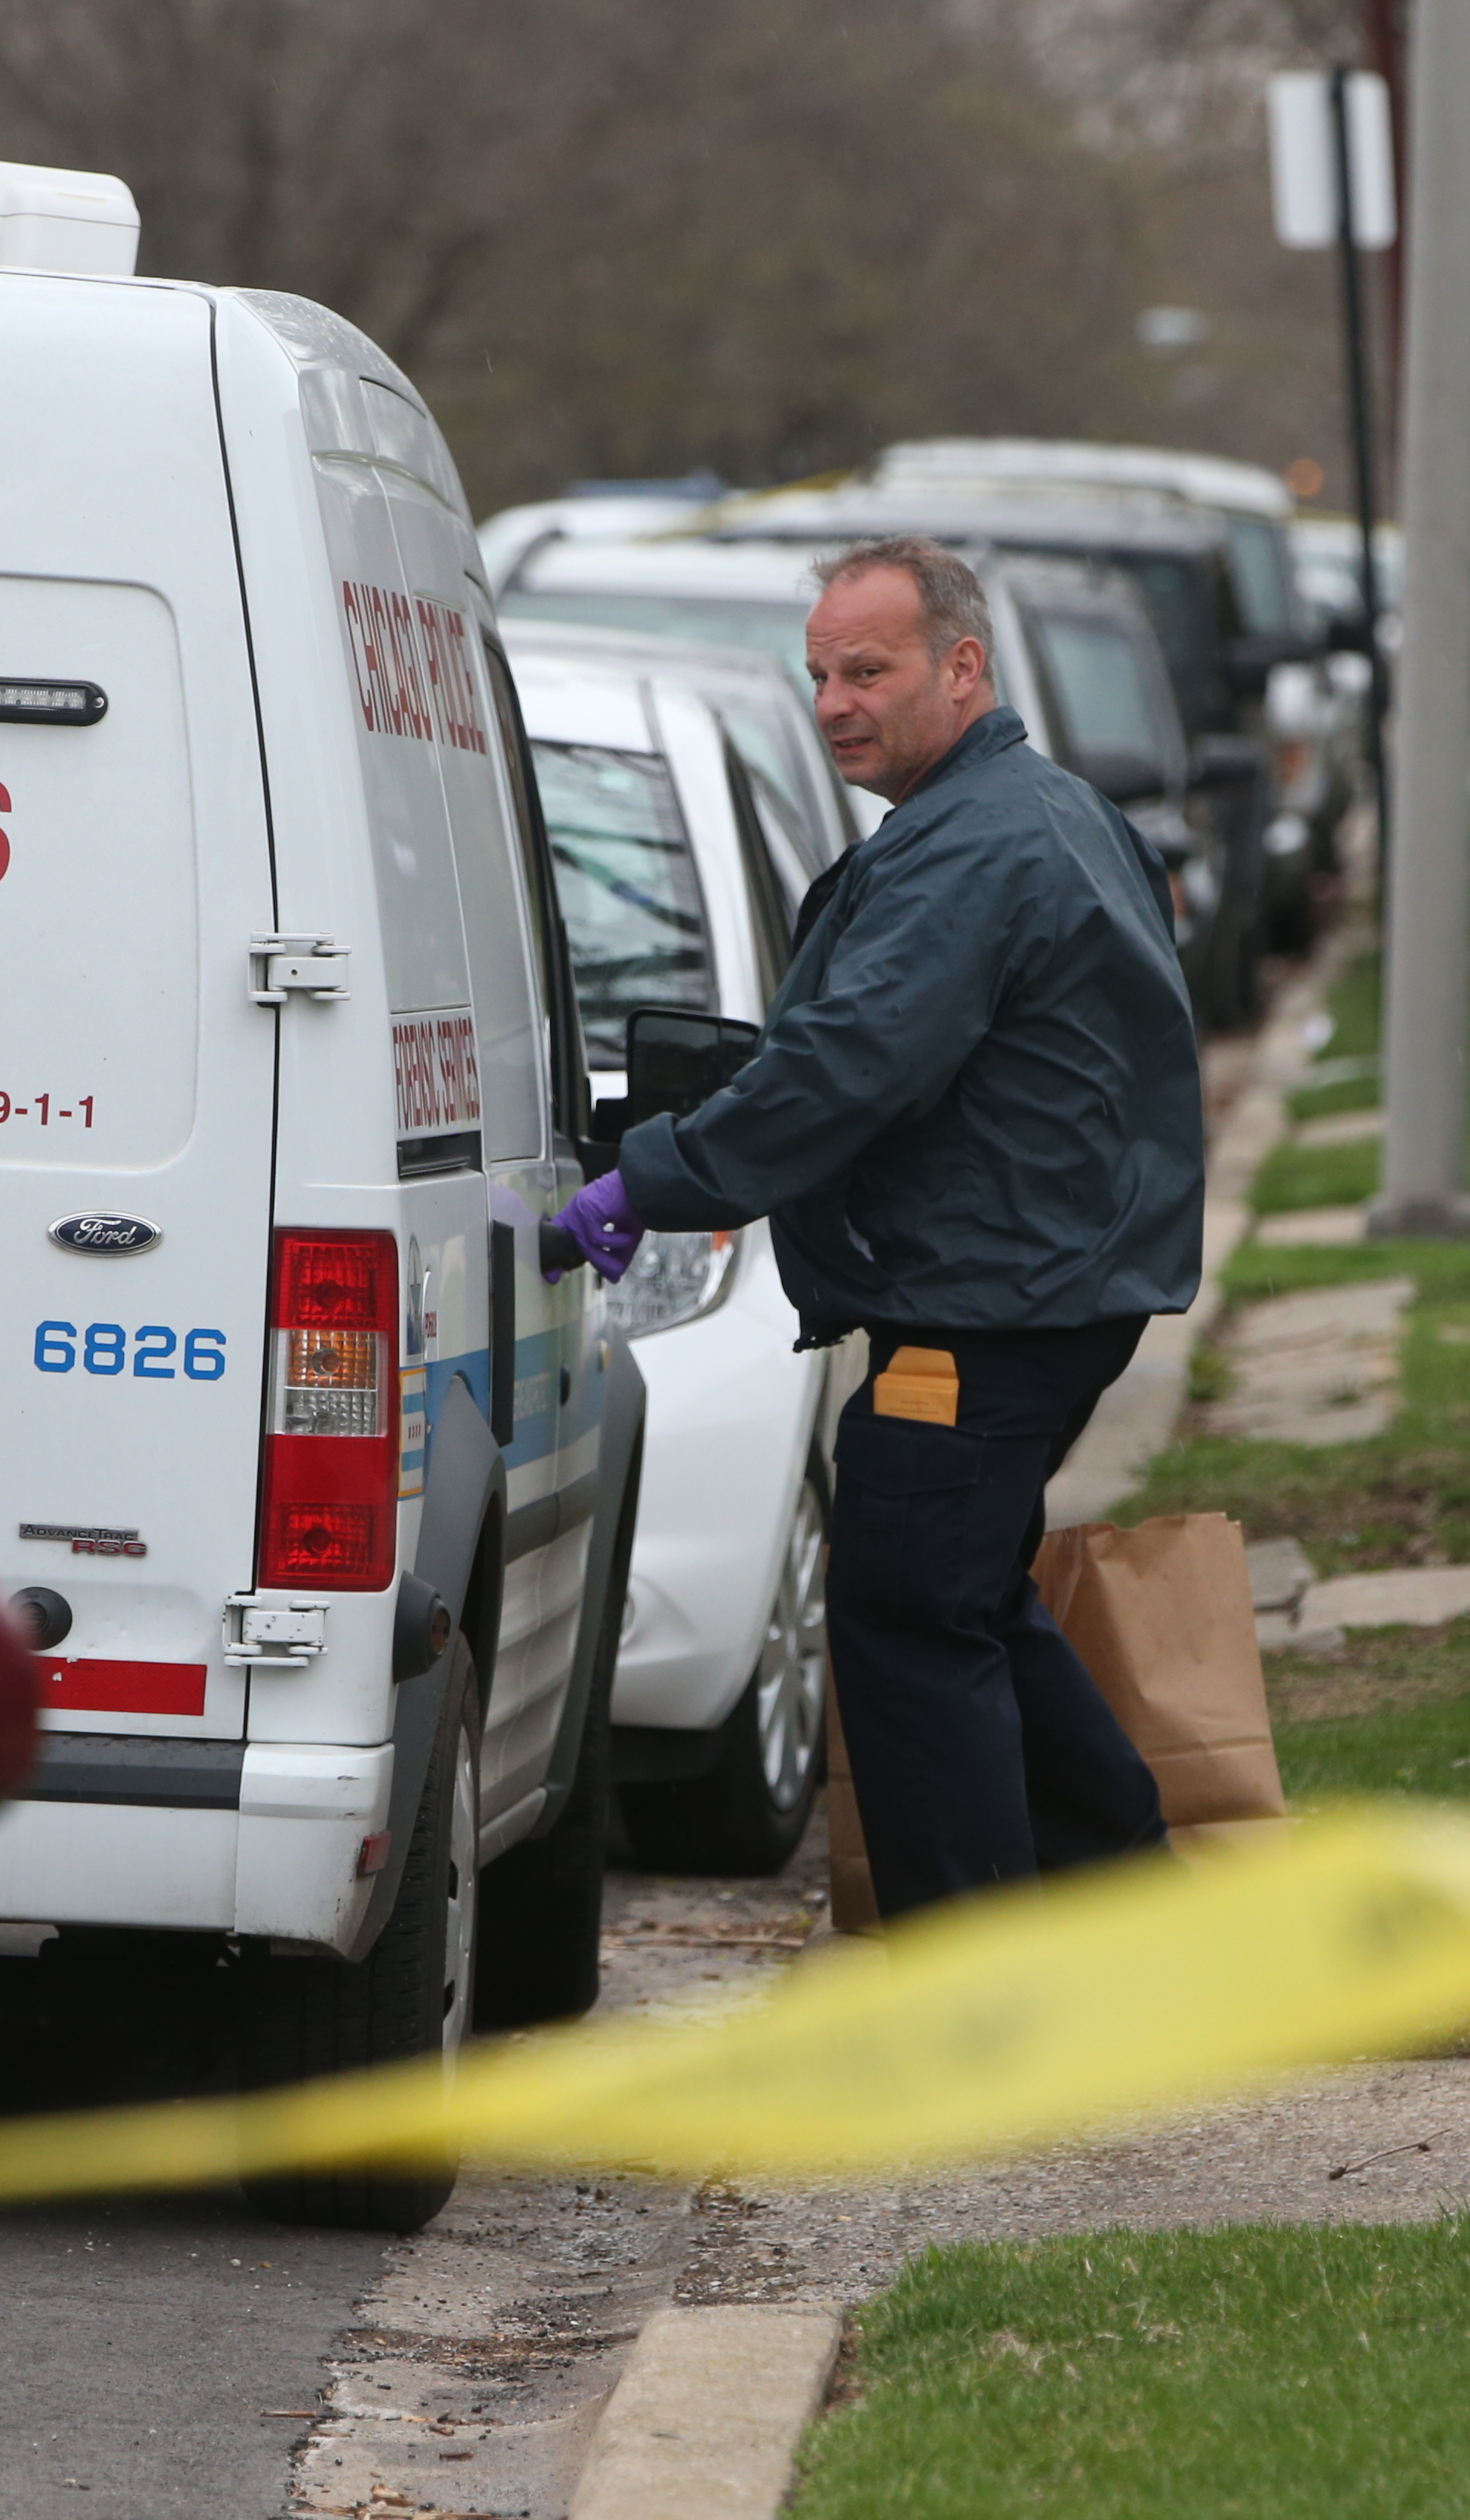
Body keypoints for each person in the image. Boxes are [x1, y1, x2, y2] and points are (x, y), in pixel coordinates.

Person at [555, 536, 1206, 1920]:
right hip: (1040, 1293)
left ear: (962, 667)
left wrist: (650, 1180)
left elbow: (846, 1066)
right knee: (964, 1603)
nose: (837, 701)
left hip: (986, 1310)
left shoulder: (975, 848)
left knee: (911, 1623)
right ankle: (1145, 1914)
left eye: (869, 669)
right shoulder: (1034, 813)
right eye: (819, 676)